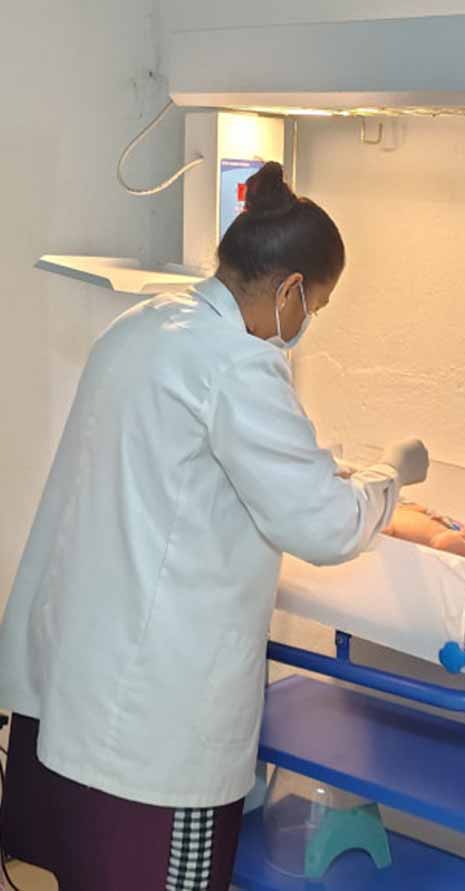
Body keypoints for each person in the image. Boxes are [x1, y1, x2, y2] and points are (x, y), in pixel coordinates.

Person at [0, 162, 428, 891]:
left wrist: (331, 471)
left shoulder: (144, 326)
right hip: (155, 720)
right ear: (291, 289)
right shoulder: (239, 364)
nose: (307, 325)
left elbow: (192, 471)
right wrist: (389, 476)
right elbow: (324, 525)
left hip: (78, 676)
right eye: (317, 306)